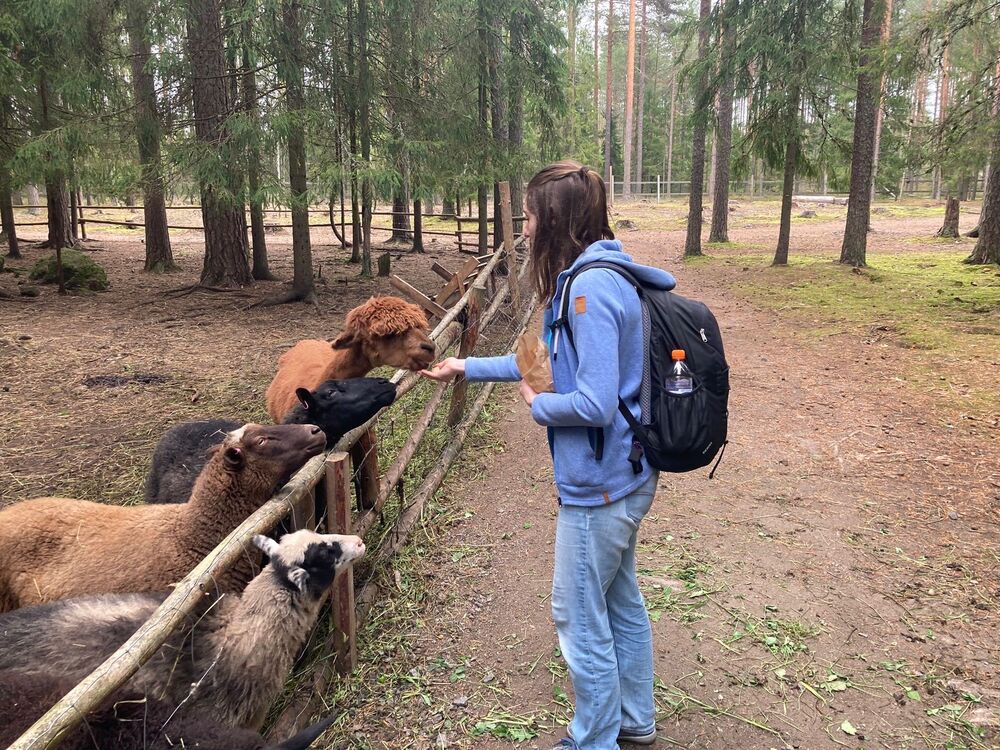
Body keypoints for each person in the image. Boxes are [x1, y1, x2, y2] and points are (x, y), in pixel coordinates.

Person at [421, 160, 676, 750]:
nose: (526, 228)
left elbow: (592, 403)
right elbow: (544, 364)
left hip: (601, 484)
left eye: (532, 216)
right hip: (628, 473)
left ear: (556, 220)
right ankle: (635, 721)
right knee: (618, 599)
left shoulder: (587, 290)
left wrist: (538, 407)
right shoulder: (599, 274)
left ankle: (594, 739)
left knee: (578, 615)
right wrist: (466, 365)